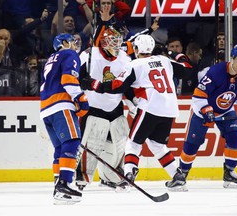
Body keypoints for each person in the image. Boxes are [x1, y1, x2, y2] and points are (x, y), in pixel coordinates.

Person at [85, 34, 187, 192]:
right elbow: (187, 70)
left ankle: (128, 175)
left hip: (150, 107)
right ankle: (177, 176)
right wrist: (175, 53)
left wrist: (94, 84)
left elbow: (118, 86)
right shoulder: (165, 60)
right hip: (169, 109)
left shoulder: (135, 64)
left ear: (137, 49)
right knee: (157, 144)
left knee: (133, 143)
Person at [179, 44, 237, 189]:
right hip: (202, 110)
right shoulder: (216, 71)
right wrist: (207, 110)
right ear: (232, 58)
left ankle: (229, 173)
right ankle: (181, 175)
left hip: (226, 110)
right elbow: (199, 95)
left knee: (235, 136)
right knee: (193, 143)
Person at [75, 8, 133, 191]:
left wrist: (133, 101)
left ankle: (113, 176)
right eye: (112, 42)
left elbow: (128, 83)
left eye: (118, 42)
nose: (116, 46)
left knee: (121, 143)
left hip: (116, 106)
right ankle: (81, 178)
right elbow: (76, 76)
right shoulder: (89, 54)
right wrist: (85, 81)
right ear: (104, 42)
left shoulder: (124, 57)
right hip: (94, 107)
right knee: (91, 145)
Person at [40, 33, 89, 204]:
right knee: (72, 141)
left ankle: (58, 186)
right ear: (64, 43)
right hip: (61, 104)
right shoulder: (69, 53)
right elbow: (68, 79)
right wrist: (81, 99)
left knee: (61, 148)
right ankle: (64, 185)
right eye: (72, 42)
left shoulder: (49, 59)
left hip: (46, 109)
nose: (75, 45)